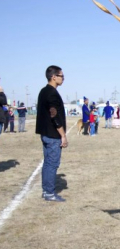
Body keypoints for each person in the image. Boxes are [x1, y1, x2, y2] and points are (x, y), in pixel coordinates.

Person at [35, 65, 67, 202]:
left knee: (48, 163)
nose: (63, 78)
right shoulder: (52, 93)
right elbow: (54, 115)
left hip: (45, 133)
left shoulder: (43, 91)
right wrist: (63, 135)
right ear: (53, 77)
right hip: (53, 135)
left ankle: (46, 190)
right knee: (52, 163)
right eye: (61, 76)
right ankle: (49, 192)